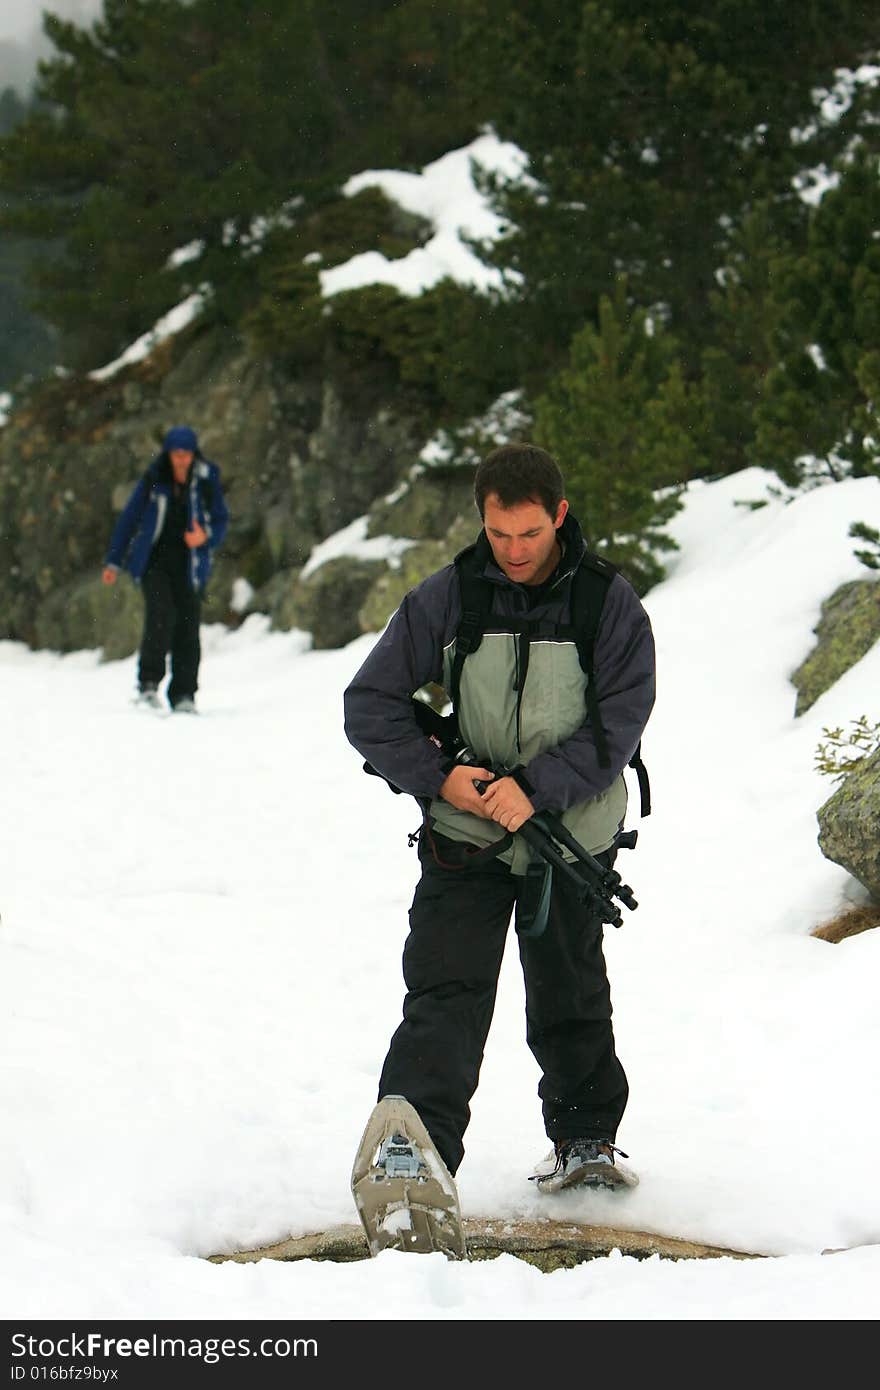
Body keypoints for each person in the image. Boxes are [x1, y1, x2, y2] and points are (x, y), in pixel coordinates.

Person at [343, 443, 656, 1192]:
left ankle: (584, 1139)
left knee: (569, 990)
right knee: (443, 993)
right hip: (468, 837)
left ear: (560, 515)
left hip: (569, 838)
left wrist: (536, 788)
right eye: (499, 534)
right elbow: (369, 705)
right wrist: (441, 779)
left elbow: (621, 722)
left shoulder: (607, 604)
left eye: (530, 534)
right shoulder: (449, 596)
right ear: (482, 519)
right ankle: (412, 1157)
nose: (514, 552)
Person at [102, 425, 228, 712]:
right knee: (160, 616)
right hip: (154, 562)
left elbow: (220, 519)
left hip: (190, 565)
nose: (182, 459)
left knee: (188, 626)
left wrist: (205, 537)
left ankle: (184, 694)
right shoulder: (154, 480)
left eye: (186, 454)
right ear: (169, 454)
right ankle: (148, 685)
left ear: (194, 454)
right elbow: (129, 520)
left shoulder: (207, 480)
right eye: (176, 453)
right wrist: (114, 561)